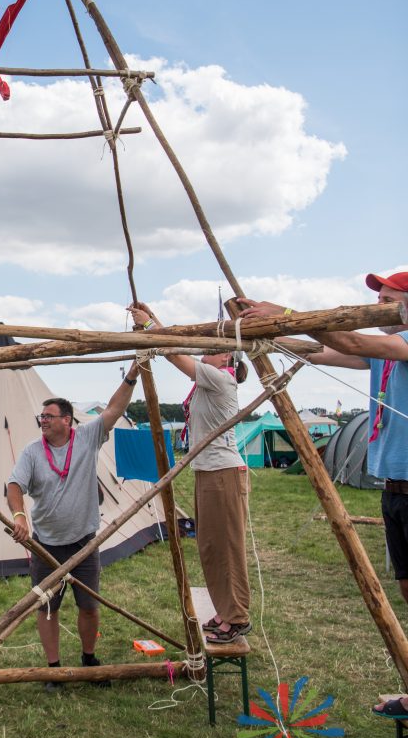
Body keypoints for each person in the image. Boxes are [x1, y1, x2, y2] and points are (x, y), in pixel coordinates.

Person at [237, 270, 408, 714]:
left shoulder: (401, 346)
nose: (379, 308)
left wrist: (287, 314)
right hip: (394, 490)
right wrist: (264, 335)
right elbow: (324, 351)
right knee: (407, 591)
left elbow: (350, 343)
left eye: (388, 300)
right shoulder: (386, 356)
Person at [6, 362, 140, 692]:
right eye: (42, 417)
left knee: (89, 607)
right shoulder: (32, 452)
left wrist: (133, 375)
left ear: (67, 420)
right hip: (46, 545)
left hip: (84, 543)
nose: (43, 421)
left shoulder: (86, 439)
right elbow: (13, 485)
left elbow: (113, 409)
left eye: (49, 416)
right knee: (47, 608)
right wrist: (19, 516)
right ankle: (54, 669)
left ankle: (89, 659)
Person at [129, 302, 252, 645]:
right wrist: (155, 319)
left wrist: (152, 323)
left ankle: (237, 616)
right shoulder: (212, 378)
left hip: (223, 472)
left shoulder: (220, 379)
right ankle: (224, 608)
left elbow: (174, 354)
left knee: (227, 546)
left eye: (210, 350)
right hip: (208, 471)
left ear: (226, 358)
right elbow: (176, 346)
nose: (204, 353)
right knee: (210, 545)